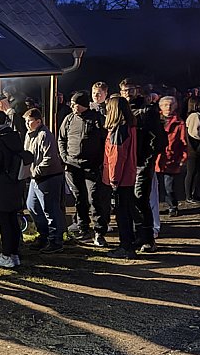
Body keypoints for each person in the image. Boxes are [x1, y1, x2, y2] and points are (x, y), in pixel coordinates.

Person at [58, 91, 109, 246]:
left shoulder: (97, 120)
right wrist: (65, 157)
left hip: (91, 167)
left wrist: (99, 161)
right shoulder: (68, 119)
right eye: (72, 104)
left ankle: (99, 232)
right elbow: (61, 139)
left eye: (76, 104)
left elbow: (104, 142)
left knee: (94, 198)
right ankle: (83, 229)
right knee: (79, 198)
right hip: (72, 166)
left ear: (83, 104)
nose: (73, 107)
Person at [0, 110, 29, 268]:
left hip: (1, 187)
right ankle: (14, 254)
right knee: (12, 221)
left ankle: (6, 255)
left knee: (4, 223)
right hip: (15, 184)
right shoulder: (14, 137)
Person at [120, 78, 163, 253]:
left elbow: (157, 139)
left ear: (137, 90)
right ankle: (137, 237)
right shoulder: (123, 111)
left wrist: (148, 161)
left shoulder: (148, 111)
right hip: (127, 163)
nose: (127, 93)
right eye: (124, 90)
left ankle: (148, 239)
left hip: (141, 163)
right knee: (130, 202)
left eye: (130, 89)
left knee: (141, 201)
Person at [102, 96, 143, 259]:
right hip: (128, 176)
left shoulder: (119, 130)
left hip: (120, 179)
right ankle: (129, 243)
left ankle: (125, 247)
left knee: (122, 214)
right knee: (127, 211)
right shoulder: (130, 127)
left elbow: (116, 157)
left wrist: (113, 180)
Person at [24, 108, 66, 254]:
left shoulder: (45, 135)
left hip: (48, 177)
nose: (27, 124)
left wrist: (36, 171)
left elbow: (49, 158)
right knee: (32, 206)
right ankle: (43, 235)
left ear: (38, 121)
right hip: (35, 178)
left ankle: (56, 240)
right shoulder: (29, 135)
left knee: (50, 209)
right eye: (26, 121)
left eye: (29, 121)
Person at [155, 96, 188, 217]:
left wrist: (183, 157)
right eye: (165, 105)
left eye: (170, 105)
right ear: (161, 106)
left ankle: (172, 207)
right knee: (155, 187)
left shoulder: (179, 123)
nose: (168, 107)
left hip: (171, 158)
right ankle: (155, 207)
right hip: (156, 158)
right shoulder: (155, 119)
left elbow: (183, 141)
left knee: (169, 187)